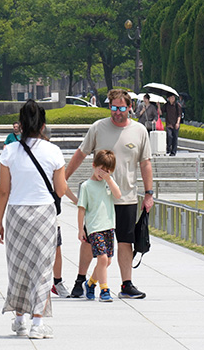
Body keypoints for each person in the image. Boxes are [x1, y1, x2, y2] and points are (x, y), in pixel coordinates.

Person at [66, 89, 153, 299]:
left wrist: (149, 193)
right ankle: (80, 281)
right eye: (113, 107)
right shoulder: (98, 128)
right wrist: (64, 177)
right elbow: (81, 154)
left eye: (122, 108)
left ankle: (126, 284)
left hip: (126, 197)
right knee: (90, 240)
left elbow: (145, 163)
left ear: (130, 107)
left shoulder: (139, 131)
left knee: (125, 242)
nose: (117, 112)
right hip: (99, 198)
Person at [0, 99, 67, 338]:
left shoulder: (9, 151)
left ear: (21, 125)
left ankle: (19, 319)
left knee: (18, 267)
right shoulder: (53, 152)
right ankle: (37, 323)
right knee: (43, 269)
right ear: (43, 125)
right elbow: (60, 190)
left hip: (16, 213)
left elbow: (3, 190)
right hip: (44, 214)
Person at [67, 150, 121, 303]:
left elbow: (118, 195)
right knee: (102, 258)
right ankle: (104, 289)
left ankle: (90, 284)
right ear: (94, 165)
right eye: (101, 169)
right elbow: (81, 208)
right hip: (94, 228)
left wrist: (109, 179)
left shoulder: (108, 183)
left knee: (107, 261)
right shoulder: (86, 186)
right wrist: (80, 229)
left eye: (107, 170)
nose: (103, 173)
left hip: (109, 226)